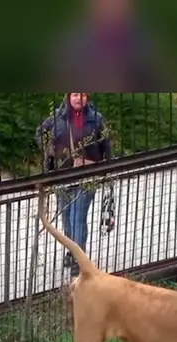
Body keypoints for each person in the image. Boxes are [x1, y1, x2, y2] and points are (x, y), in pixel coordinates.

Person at [35, 92, 113, 277]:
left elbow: (107, 145)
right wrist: (50, 150)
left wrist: (106, 168)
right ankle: (71, 250)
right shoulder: (57, 117)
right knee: (67, 219)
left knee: (78, 217)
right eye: (76, 94)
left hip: (87, 177)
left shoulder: (97, 119)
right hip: (62, 175)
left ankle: (80, 258)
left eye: (84, 95)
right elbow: (40, 134)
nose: (79, 98)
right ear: (69, 96)